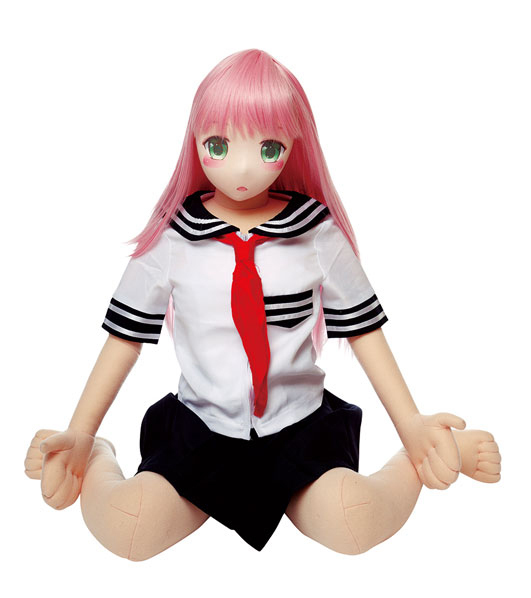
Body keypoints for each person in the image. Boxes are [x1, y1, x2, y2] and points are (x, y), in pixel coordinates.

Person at [24, 49, 501, 560]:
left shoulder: (315, 232)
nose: (243, 168)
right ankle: (96, 457)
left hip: (298, 428)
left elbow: (363, 331)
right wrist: (82, 432)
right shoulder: (174, 237)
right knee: (131, 530)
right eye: (218, 145)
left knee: (353, 521)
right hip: (201, 429)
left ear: (294, 145)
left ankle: (420, 457)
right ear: (194, 141)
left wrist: (412, 425)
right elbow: (125, 338)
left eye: (268, 147)